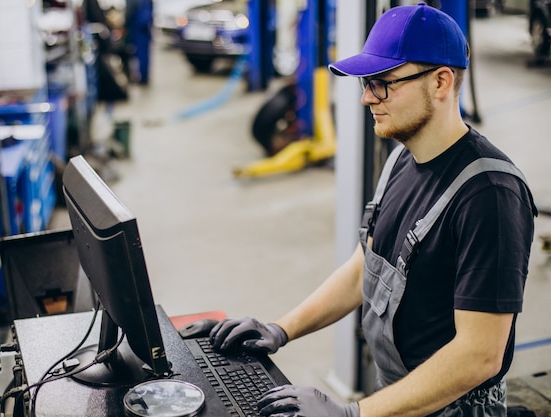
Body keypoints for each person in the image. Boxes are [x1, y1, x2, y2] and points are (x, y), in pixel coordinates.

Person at [209, 3, 537, 416]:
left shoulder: (489, 196)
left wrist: (353, 413)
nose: (367, 98)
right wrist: (281, 328)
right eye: (366, 83)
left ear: (440, 82)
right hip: (395, 399)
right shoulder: (402, 159)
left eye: (382, 83)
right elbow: (366, 264)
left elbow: (479, 356)